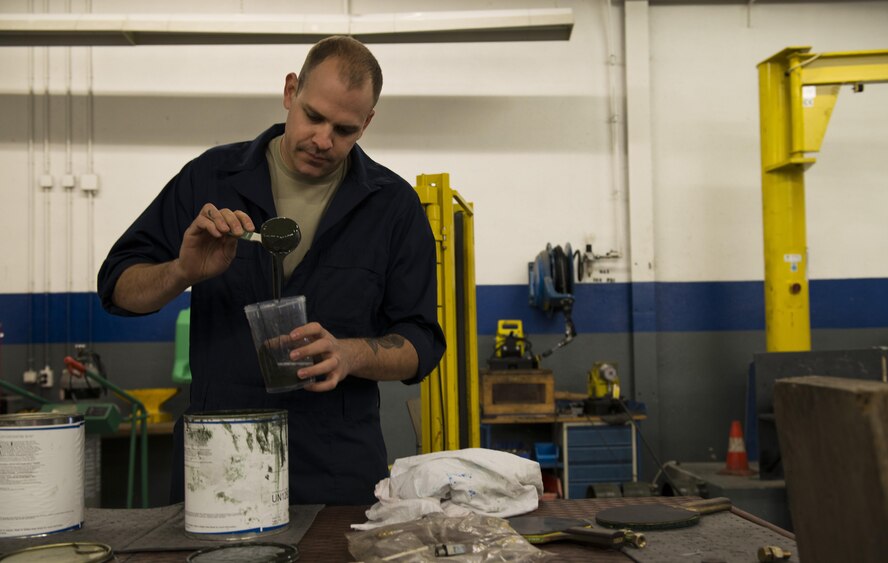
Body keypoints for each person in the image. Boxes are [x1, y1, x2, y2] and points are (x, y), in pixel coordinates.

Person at [97, 36, 446, 505]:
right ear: (290, 92)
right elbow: (119, 288)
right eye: (314, 117)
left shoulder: (393, 208)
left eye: (344, 129)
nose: (323, 140)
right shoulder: (210, 179)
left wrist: (351, 354)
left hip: (334, 474)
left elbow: (421, 342)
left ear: (367, 123)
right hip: (218, 468)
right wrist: (181, 270)